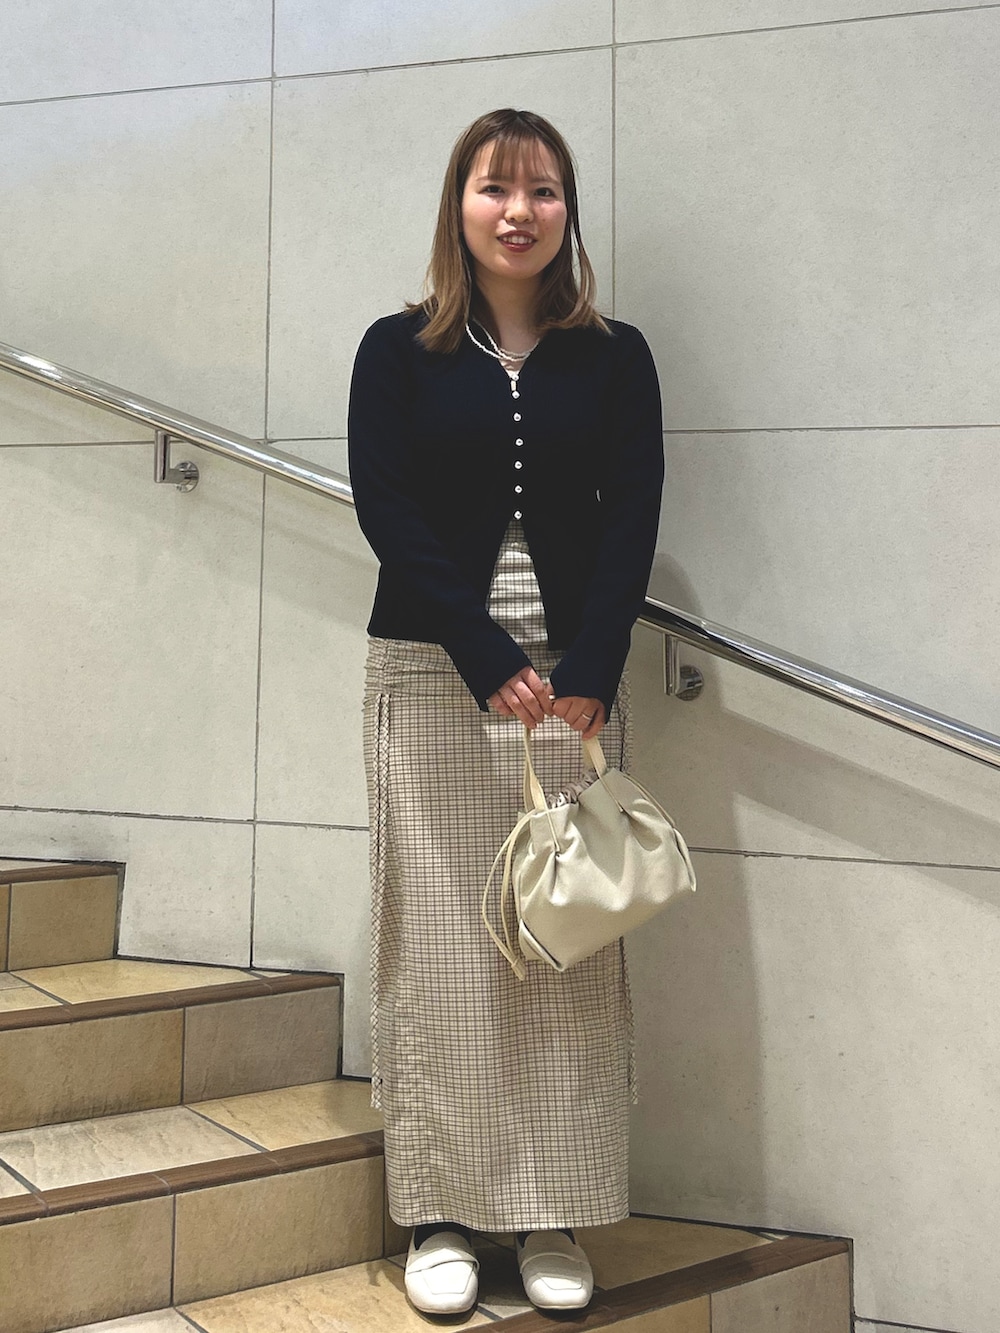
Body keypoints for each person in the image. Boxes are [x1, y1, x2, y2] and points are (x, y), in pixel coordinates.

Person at [348, 107, 664, 1317]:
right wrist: (479, 646)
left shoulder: (614, 355)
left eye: (541, 190)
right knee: (437, 949)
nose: (518, 211)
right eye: (494, 188)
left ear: (566, 210)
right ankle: (440, 1209)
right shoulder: (396, 349)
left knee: (566, 953)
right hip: (434, 676)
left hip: (572, 688)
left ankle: (551, 1207)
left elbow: (635, 505)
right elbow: (386, 506)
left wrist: (596, 656)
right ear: (459, 206)